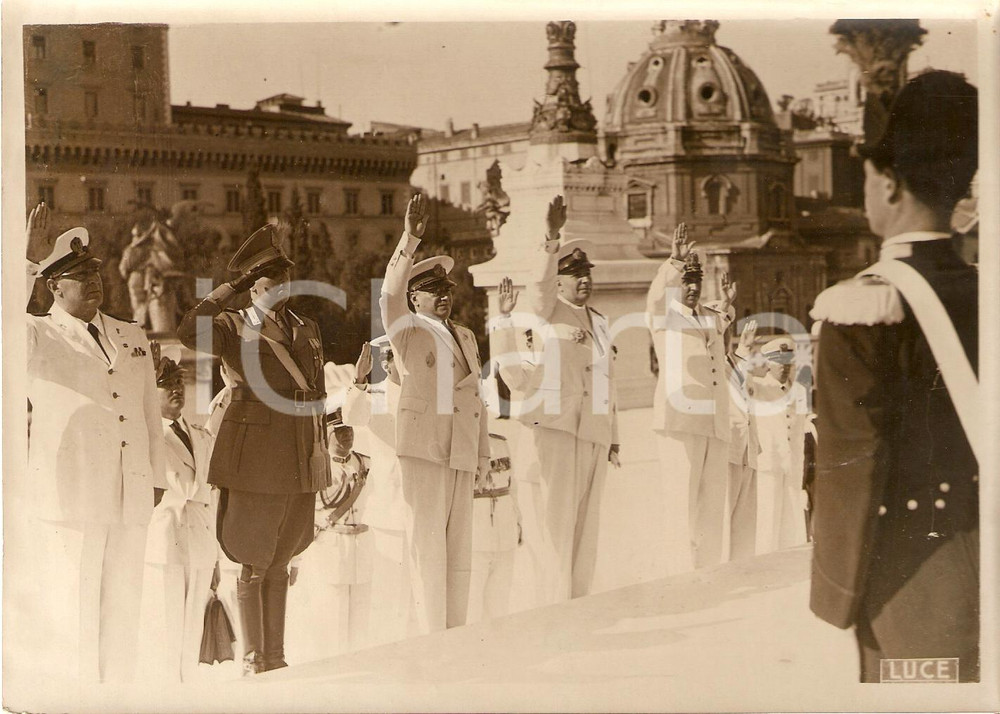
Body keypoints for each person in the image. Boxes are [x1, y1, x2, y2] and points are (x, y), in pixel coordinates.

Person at [809, 70, 979, 682]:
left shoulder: (862, 308)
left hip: (916, 581)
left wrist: (834, 596)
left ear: (888, 182)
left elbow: (850, 468)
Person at [177, 223, 330, 674]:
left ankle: (275, 657)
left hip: (299, 451)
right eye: (269, 278)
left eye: (284, 276)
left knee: (282, 556)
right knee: (253, 557)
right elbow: (188, 333)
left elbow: (315, 389)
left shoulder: (306, 326)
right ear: (252, 284)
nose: (280, 284)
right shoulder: (231, 324)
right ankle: (252, 657)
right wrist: (229, 290)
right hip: (255, 456)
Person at [22, 203, 163, 683]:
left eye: (95, 272)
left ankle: (118, 698)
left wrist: (155, 478)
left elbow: (149, 413)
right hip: (73, 493)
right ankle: (77, 699)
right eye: (80, 276)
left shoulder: (129, 334)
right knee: (75, 607)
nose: (94, 282)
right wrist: (26, 261)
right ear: (54, 287)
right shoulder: (36, 334)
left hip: (130, 492)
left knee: (124, 607)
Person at [493, 195, 621, 604]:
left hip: (593, 433)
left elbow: (607, 382)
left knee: (587, 524)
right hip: (555, 431)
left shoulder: (599, 321)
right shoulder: (546, 311)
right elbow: (539, 285)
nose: (583, 279)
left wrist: (614, 437)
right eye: (573, 273)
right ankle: (552, 604)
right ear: (558, 280)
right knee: (554, 522)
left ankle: (579, 601)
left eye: (586, 272)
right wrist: (551, 239)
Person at [379, 193, 491, 633]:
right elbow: (388, 295)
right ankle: (430, 638)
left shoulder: (465, 335)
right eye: (433, 291)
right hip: (424, 451)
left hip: (461, 452)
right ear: (414, 298)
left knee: (459, 553)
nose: (444, 297)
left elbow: (476, 400)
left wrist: (482, 456)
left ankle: (455, 635)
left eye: (447, 290)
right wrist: (409, 241)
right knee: (427, 550)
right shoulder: (407, 331)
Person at [645, 223, 735, 572]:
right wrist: (674, 262)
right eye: (686, 281)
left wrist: (727, 303)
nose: (693, 287)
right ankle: (679, 574)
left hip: (715, 423)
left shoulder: (710, 317)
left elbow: (724, 318)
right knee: (681, 502)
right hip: (680, 423)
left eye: (697, 280)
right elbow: (656, 297)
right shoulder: (663, 317)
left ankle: (709, 572)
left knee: (712, 504)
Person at [140, 349, 217, 683]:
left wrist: (215, 556)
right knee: (166, 626)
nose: (176, 389)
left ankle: (188, 693)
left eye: (179, 382)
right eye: (165, 383)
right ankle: (166, 693)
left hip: (200, 540)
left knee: (192, 628)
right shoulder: (145, 434)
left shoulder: (201, 435)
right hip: (165, 539)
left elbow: (211, 495)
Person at [342, 336, 414, 645]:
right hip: (390, 512)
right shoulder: (375, 396)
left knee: (417, 596)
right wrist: (359, 381)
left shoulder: (425, 394)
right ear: (385, 363)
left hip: (423, 510)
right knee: (389, 593)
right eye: (400, 356)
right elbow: (352, 416)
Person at [750, 336, 809, 554]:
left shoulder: (799, 391)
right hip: (769, 464)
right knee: (768, 521)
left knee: (793, 521)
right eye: (778, 361)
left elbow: (800, 430)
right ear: (767, 363)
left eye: (787, 361)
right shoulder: (758, 387)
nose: (784, 366)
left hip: (792, 464)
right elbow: (737, 381)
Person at [467, 432, 522, 623]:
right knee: (470, 609)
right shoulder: (459, 443)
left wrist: (518, 521)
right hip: (474, 537)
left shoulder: (501, 442)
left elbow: (513, 486)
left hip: (505, 534)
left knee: (499, 608)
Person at [723, 318, 761, 561]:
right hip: (727, 448)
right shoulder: (709, 363)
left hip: (748, 446)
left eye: (726, 328)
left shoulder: (734, 360)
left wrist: (745, 348)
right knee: (725, 515)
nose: (723, 333)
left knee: (745, 517)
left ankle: (743, 566)